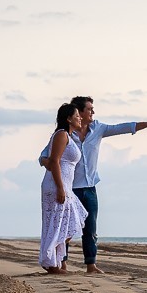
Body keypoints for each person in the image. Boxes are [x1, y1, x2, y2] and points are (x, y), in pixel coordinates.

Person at [39, 96, 147, 273]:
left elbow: (121, 127)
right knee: (65, 226)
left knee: (89, 228)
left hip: (89, 187)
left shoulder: (98, 128)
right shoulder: (65, 134)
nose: (93, 112)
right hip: (69, 187)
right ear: (78, 112)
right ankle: (60, 262)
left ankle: (91, 265)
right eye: (89, 109)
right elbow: (45, 157)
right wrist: (51, 166)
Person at [39, 103, 89, 273]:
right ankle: (50, 264)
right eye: (77, 116)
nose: (80, 118)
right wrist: (60, 188)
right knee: (56, 225)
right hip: (56, 185)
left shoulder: (68, 136)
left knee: (71, 222)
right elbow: (54, 161)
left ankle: (53, 260)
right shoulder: (61, 134)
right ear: (68, 119)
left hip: (65, 186)